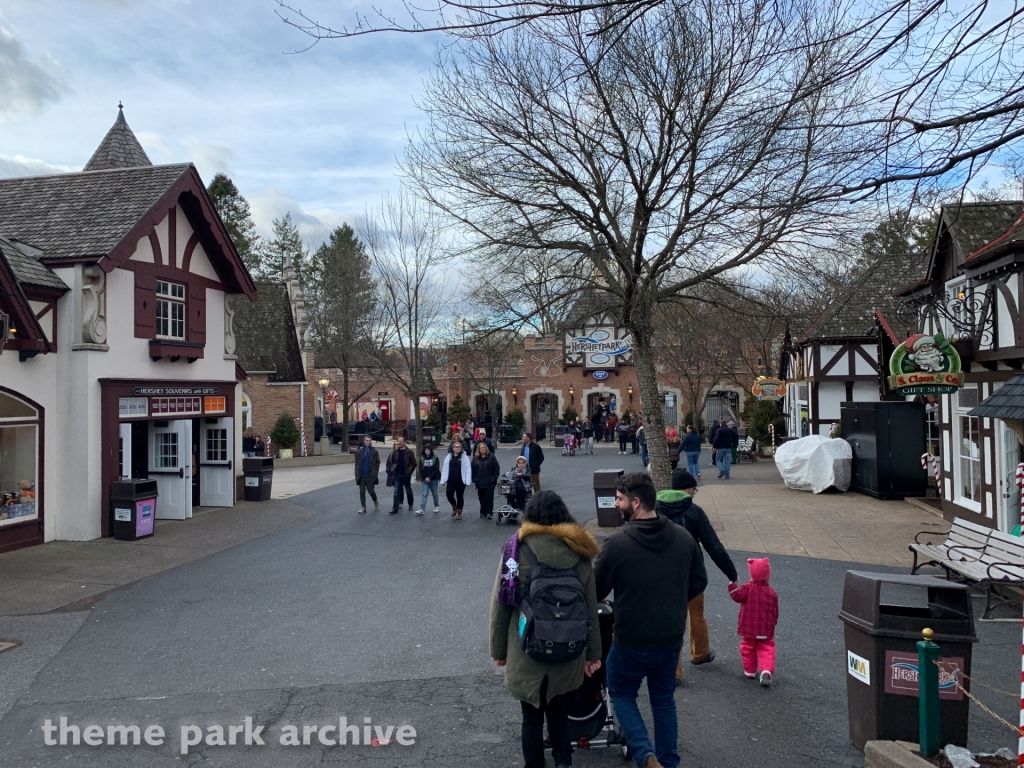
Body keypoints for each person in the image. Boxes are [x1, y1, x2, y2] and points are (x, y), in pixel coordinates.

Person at [595, 472, 707, 768]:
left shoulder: (617, 545)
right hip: (670, 638)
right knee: (663, 701)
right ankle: (668, 761)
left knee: (620, 693)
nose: (616, 505)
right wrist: (672, 599)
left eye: (619, 500)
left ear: (636, 501)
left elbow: (594, 588)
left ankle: (644, 754)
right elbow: (699, 581)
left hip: (630, 638)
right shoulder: (684, 539)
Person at [489, 491, 602, 768]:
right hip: (570, 648)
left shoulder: (517, 551)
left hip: (528, 648)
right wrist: (593, 654)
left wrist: (498, 650)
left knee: (531, 716)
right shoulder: (580, 552)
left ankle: (535, 764)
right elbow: (590, 608)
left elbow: (501, 605)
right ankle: (563, 761)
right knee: (560, 712)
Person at [656, 469, 738, 679]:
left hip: (661, 574)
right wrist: (731, 573)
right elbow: (714, 546)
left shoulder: (655, 509)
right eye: (693, 488)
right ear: (685, 488)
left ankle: (673, 671)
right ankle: (699, 653)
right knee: (696, 615)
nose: (694, 492)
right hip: (691, 573)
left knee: (670, 621)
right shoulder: (695, 511)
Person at [728, 557, 779, 687]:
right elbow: (775, 611)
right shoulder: (772, 592)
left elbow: (737, 596)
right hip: (765, 628)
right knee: (767, 648)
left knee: (747, 647)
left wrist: (732, 585)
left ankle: (750, 670)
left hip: (749, 627)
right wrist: (774, 622)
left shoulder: (747, 588)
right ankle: (766, 670)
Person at [441, 440, 472, 520]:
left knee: (460, 496)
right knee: (449, 495)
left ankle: (459, 511)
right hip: (451, 480)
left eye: (459, 447)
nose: (458, 448)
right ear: (453, 448)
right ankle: (454, 506)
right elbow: (444, 469)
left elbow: (468, 469)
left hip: (460, 480)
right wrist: (443, 479)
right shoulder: (449, 457)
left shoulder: (464, 457)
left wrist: (468, 480)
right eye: (456, 447)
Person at [472, 442, 502, 519]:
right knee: (481, 497)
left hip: (490, 481)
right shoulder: (475, 458)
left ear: (486, 448)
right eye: (481, 448)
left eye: (484, 448)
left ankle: (489, 512)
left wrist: (494, 478)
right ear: (479, 449)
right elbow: (472, 469)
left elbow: (496, 468)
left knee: (488, 496)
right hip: (479, 481)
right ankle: (482, 511)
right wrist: (474, 479)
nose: (483, 449)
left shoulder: (492, 457)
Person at [386, 437, 416, 514]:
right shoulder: (395, 452)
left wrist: (409, 471)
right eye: (398, 441)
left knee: (408, 489)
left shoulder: (409, 452)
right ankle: (395, 508)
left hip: (406, 474)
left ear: (404, 442)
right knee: (396, 491)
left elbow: (413, 463)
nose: (399, 443)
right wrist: (393, 469)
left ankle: (410, 504)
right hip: (397, 474)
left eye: (401, 441)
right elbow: (392, 461)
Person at [354, 435, 380, 514]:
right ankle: (363, 507)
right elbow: (357, 463)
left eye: (369, 441)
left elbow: (377, 462)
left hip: (370, 475)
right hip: (361, 475)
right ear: (364, 441)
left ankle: (375, 500)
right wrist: (356, 472)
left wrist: (375, 472)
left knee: (371, 491)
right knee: (362, 492)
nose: (368, 442)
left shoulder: (374, 451)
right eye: (367, 441)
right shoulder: (360, 451)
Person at [418, 444, 441, 515]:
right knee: (424, 493)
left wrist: (430, 477)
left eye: (428, 450)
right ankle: (422, 508)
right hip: (425, 479)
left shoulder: (435, 458)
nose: (427, 451)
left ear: (431, 450)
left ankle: (436, 505)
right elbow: (421, 469)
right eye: (425, 450)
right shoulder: (422, 459)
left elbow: (436, 469)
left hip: (433, 479)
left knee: (434, 493)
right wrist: (425, 478)